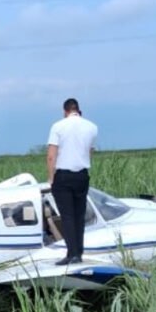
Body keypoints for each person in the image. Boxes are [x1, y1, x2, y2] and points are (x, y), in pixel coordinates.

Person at [46, 97, 98, 265]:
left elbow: (51, 155)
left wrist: (51, 178)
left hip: (63, 175)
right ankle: (79, 252)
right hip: (82, 174)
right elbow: (89, 152)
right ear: (78, 110)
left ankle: (72, 253)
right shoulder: (92, 127)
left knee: (67, 216)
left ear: (65, 111)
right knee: (79, 215)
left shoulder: (58, 126)